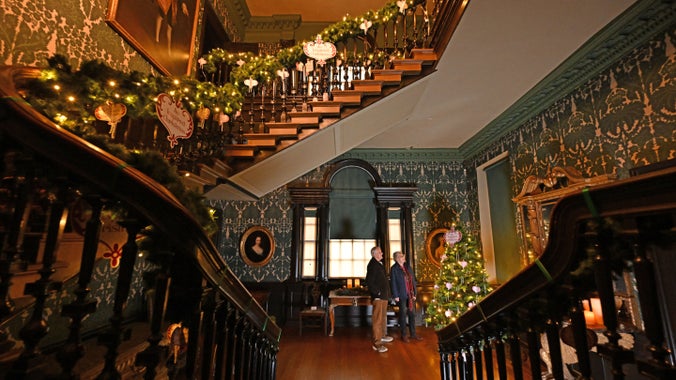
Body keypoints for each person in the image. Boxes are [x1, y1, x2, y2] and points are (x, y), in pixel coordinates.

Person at [365, 246, 393, 353]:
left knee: (382, 318)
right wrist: (377, 293)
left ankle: (382, 336)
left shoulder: (379, 264)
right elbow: (369, 281)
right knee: (377, 320)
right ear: (375, 254)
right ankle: (377, 343)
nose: (382, 254)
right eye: (380, 252)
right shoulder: (372, 265)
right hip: (379, 297)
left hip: (384, 296)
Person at [390, 251, 423, 342]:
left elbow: (413, 280)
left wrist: (415, 293)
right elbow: (393, 283)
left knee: (412, 314)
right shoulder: (394, 269)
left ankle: (413, 334)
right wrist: (395, 295)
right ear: (397, 258)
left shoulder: (408, 267)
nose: (404, 257)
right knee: (403, 314)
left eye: (403, 255)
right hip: (401, 295)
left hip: (411, 294)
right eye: (401, 256)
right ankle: (404, 335)